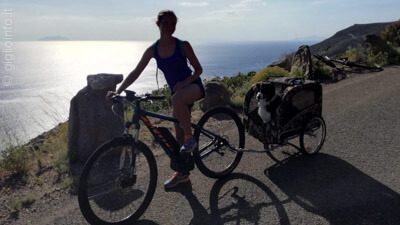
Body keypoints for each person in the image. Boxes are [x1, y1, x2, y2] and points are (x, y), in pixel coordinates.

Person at [107, 10, 205, 189]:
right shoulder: (153, 50)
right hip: (178, 96)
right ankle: (182, 173)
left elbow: (198, 70)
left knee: (180, 116)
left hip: (193, 87)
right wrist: (117, 91)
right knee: (178, 136)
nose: (170, 27)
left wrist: (184, 82)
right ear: (157, 24)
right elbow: (136, 72)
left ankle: (192, 139)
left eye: (173, 23)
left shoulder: (183, 45)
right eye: (166, 23)